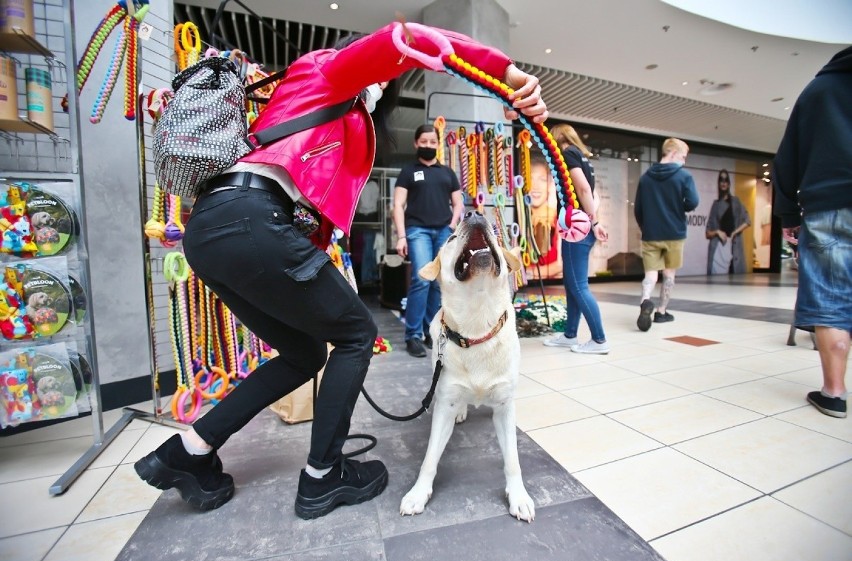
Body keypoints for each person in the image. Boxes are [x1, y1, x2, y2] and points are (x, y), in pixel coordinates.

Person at [133, 21, 550, 518]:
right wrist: (506, 72)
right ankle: (322, 477)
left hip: (215, 231)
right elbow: (410, 39)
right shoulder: (329, 69)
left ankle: (191, 451)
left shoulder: (330, 110)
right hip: (252, 220)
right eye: (381, 80)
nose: (380, 90)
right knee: (357, 332)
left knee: (302, 351)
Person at [773, 45, 851, 419]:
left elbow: (787, 157)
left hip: (828, 205)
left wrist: (789, 214)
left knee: (831, 299)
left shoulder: (818, 91)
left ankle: (834, 393)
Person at [393, 124, 464, 358]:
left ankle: (430, 332)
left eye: (432, 142)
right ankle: (412, 335)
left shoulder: (447, 173)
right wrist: (401, 236)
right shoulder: (408, 171)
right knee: (421, 280)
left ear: (438, 144)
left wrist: (452, 226)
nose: (428, 145)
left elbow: (458, 203)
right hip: (417, 232)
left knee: (437, 283)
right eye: (423, 141)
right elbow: (397, 206)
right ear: (416, 143)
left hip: (443, 232)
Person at [542, 124, 610, 354]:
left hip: (576, 229)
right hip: (580, 227)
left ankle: (599, 340)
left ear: (558, 137)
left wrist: (594, 222)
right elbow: (593, 193)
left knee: (579, 286)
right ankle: (570, 335)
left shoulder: (569, 153)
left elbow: (582, 189)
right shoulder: (582, 157)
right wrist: (594, 221)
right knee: (572, 285)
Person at [634, 137, 699, 331]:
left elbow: (638, 209)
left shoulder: (645, 178)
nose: (684, 161)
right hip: (674, 233)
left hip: (651, 233)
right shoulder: (684, 176)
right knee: (669, 274)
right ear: (672, 153)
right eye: (683, 156)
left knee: (651, 274)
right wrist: (681, 205)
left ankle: (645, 301)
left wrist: (645, 226)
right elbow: (693, 202)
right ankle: (661, 312)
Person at [706, 169, 751, 274]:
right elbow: (707, 233)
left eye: (726, 180)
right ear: (718, 183)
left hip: (734, 247)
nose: (723, 182)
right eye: (721, 180)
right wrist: (717, 232)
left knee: (735, 283)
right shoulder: (715, 204)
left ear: (729, 183)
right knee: (716, 285)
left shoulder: (736, 201)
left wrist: (735, 232)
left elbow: (747, 220)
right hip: (718, 249)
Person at [527, 153, 563, 279]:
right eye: (530, 179)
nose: (535, 186)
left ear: (549, 185)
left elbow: (560, 265)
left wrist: (527, 274)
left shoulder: (558, 221)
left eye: (542, 179)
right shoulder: (519, 220)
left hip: (552, 290)